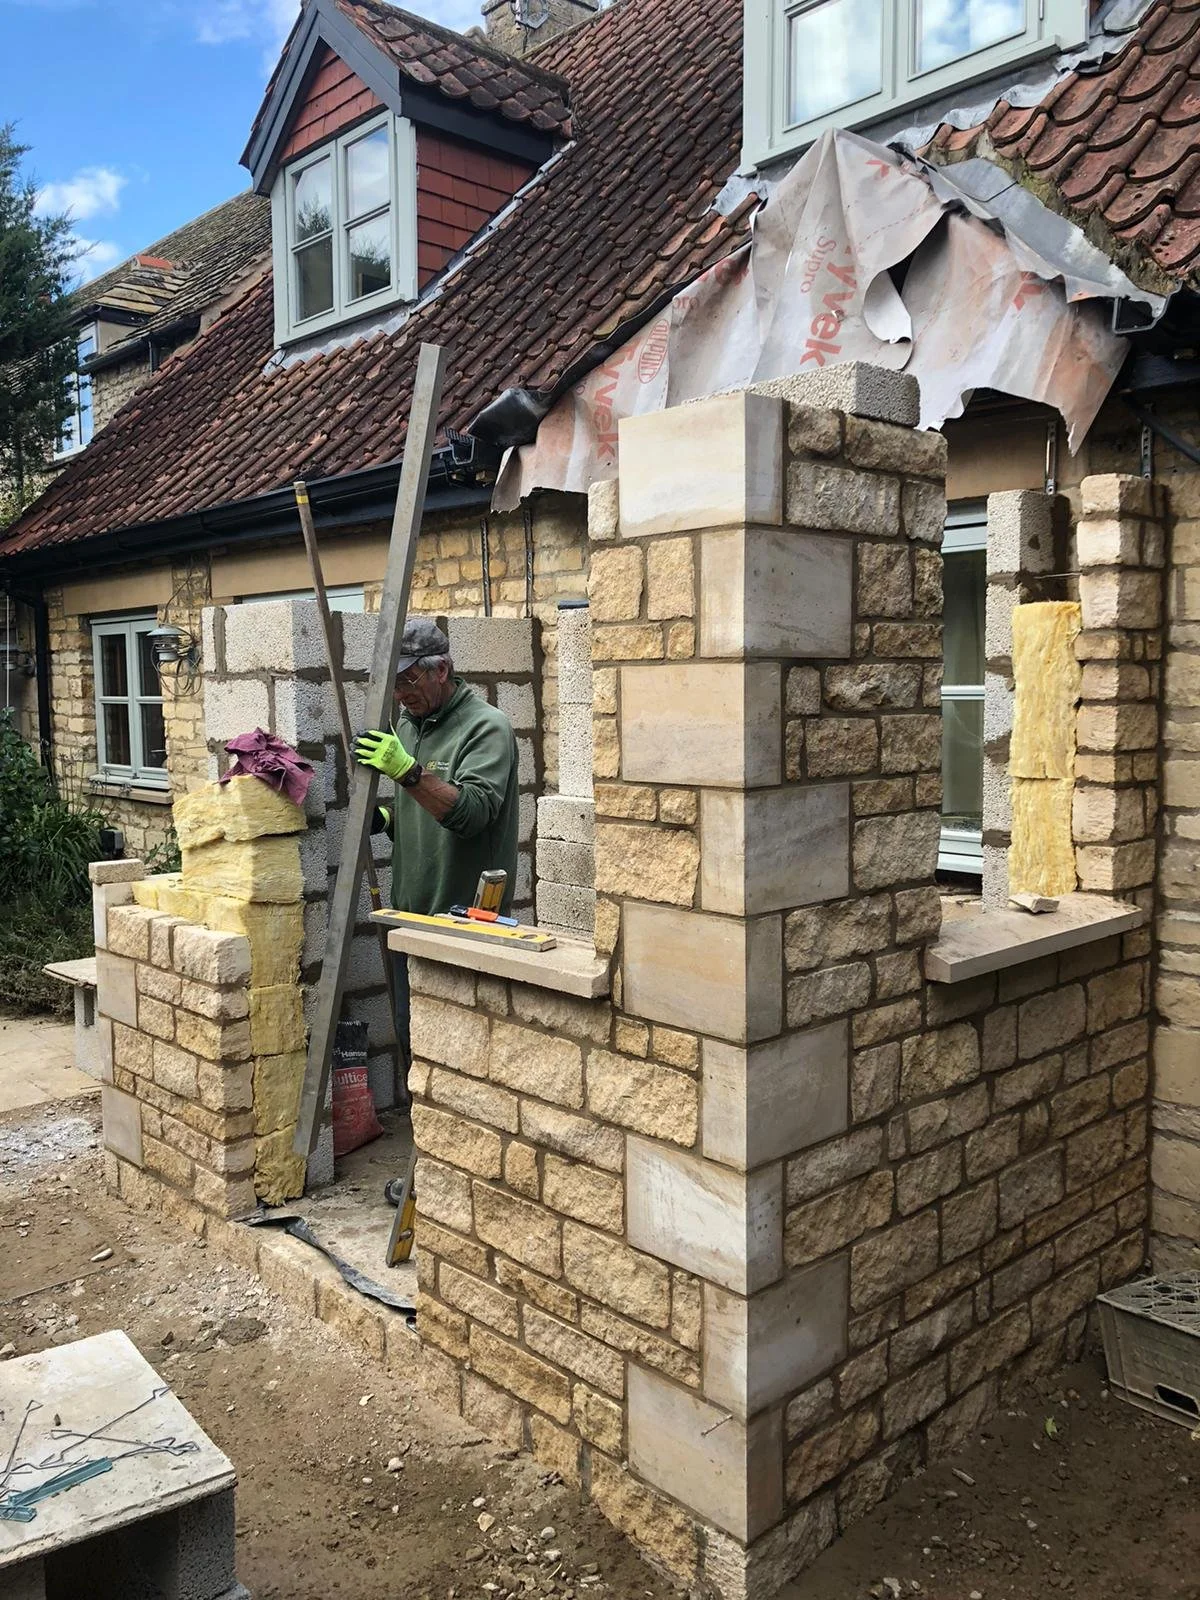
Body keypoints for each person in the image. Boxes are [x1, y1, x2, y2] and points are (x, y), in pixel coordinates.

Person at [354, 617, 520, 1087]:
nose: (402, 695)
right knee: (415, 1043)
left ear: (441, 669)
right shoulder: (408, 725)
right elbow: (417, 808)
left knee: (461, 1054)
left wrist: (407, 772)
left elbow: (470, 815)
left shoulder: (487, 727)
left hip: (466, 920)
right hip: (411, 917)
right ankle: (423, 1145)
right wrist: (384, 820)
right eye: (395, 684)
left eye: (409, 680)